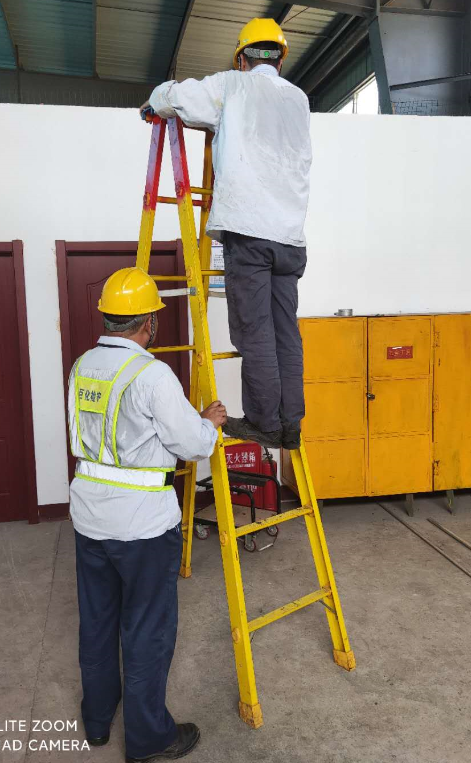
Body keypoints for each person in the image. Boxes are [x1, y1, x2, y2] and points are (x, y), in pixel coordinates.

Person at [67, 266, 226, 761]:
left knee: (96, 621)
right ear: (147, 324)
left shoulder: (82, 366)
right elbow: (190, 444)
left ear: (108, 319)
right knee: (146, 629)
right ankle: (148, 737)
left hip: (88, 516)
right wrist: (209, 423)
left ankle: (97, 719)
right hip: (142, 527)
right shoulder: (152, 374)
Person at [140, 17, 312, 451]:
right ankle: (290, 423)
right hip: (291, 238)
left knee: (255, 332)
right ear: (280, 56)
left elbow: (176, 97)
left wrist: (152, 103)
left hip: (249, 233)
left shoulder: (233, 86)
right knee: (285, 333)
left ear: (242, 56)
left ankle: (263, 422)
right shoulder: (298, 99)